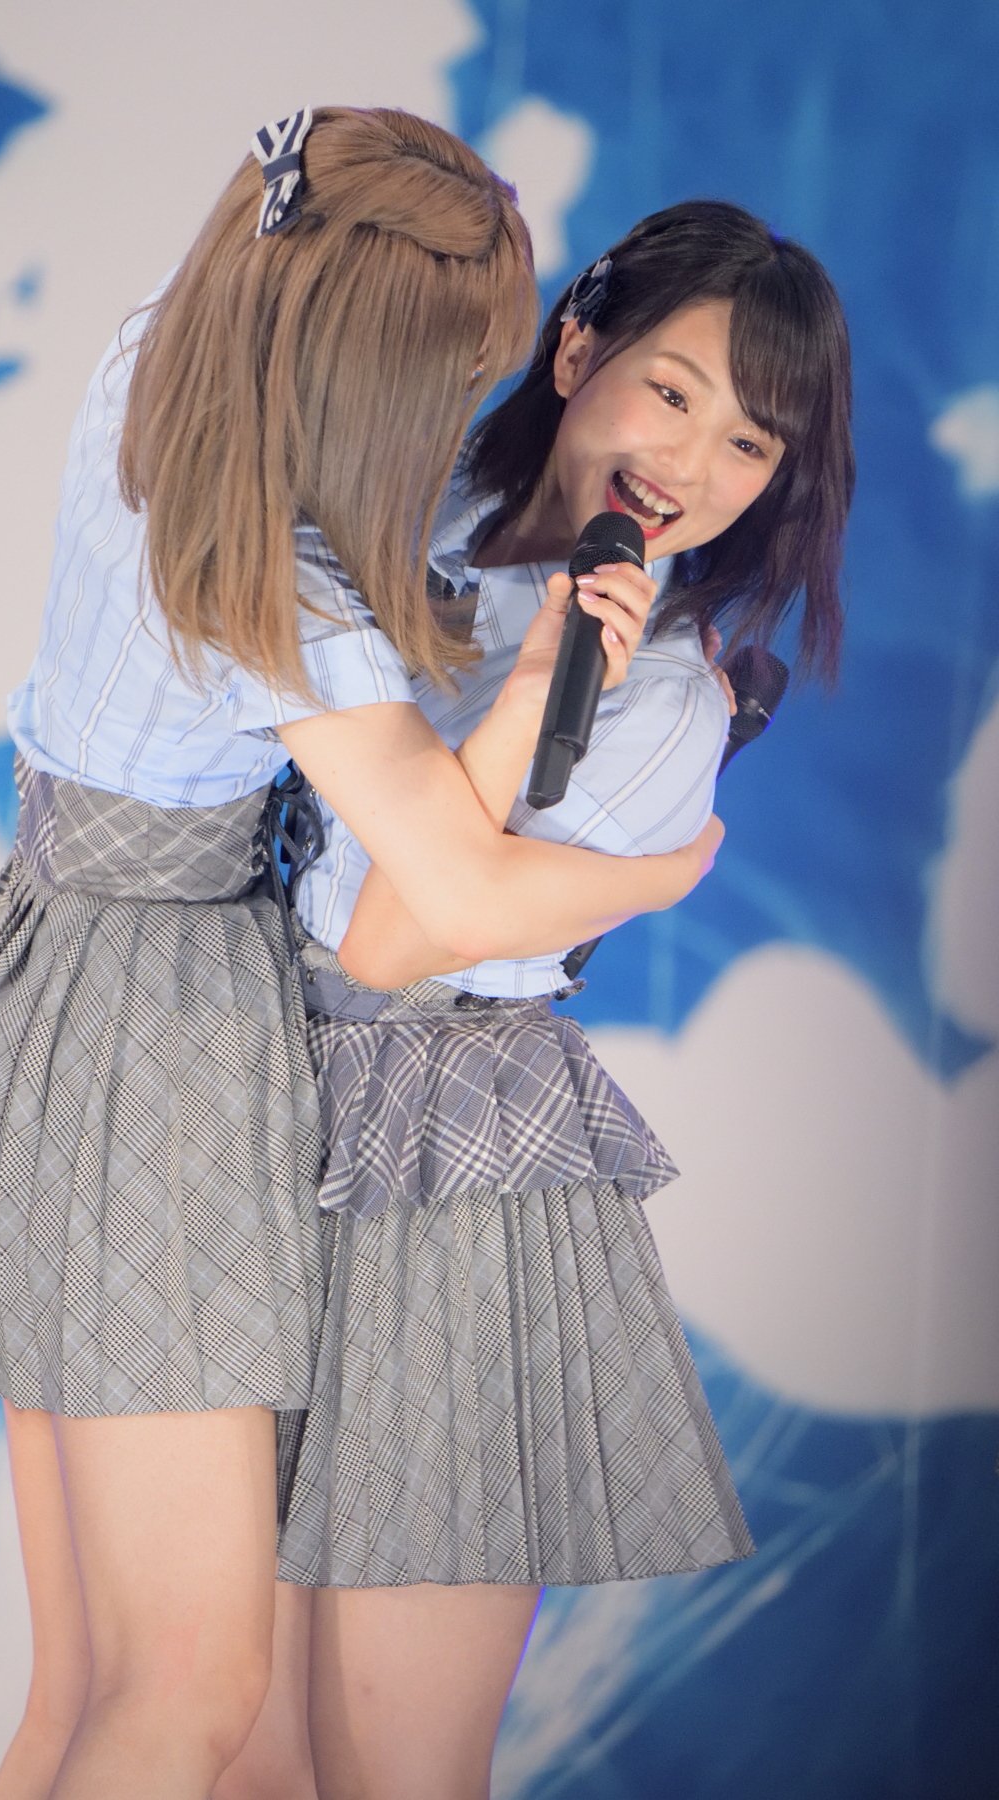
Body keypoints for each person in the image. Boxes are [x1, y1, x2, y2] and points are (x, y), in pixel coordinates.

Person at [0, 111, 718, 1800]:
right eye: (453, 370)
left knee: (85, 1692)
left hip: (51, 983)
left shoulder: (149, 367)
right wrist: (659, 862)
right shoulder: (280, 586)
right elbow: (437, 897)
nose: (468, 405)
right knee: (188, 1695)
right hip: (153, 1045)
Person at [215, 199, 853, 1800]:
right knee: (234, 1741)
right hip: (236, 1137)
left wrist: (529, 701)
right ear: (577, 350)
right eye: (672, 392)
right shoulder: (397, 521)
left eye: (750, 444)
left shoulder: (669, 706)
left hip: (448, 1185)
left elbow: (387, 940)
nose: (692, 464)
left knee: (392, 1765)